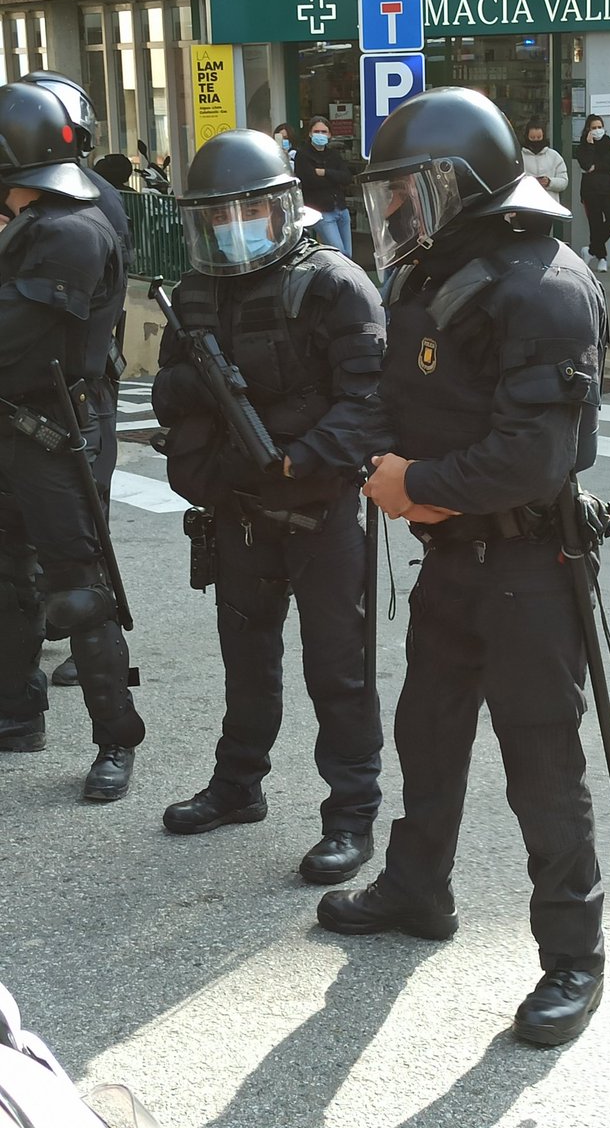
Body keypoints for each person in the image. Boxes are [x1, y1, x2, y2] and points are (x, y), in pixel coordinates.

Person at [315, 86, 609, 1047]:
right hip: (451, 558)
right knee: (426, 734)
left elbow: (537, 457)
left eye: (418, 188)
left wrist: (416, 481)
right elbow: (388, 400)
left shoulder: (546, 285)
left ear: (473, 185)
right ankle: (416, 889)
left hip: (531, 563)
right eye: (395, 192)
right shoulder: (427, 277)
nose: (401, 211)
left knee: (541, 768)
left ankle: (573, 958)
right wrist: (365, 464)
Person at [152, 129, 385, 884]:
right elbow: (170, 399)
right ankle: (236, 786)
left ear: (283, 207)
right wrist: (208, 454)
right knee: (245, 664)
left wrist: (298, 456)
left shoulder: (334, 284)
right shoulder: (193, 291)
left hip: (320, 514)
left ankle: (349, 816)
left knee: (337, 674)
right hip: (240, 511)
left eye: (248, 209)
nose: (233, 227)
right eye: (217, 215)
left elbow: (370, 403)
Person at [0, 81, 144, 799]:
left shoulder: (67, 230)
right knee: (6, 573)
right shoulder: (32, 222)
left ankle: (115, 737)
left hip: (56, 429)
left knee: (78, 589)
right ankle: (16, 711)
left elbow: (11, 340)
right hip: (17, 423)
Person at [20, 69, 135, 687]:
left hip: (77, 388)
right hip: (47, 390)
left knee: (80, 530)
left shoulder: (85, 205)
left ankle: (88, 647)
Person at [294, 116, 353, 256]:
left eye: (323, 131)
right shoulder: (302, 155)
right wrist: (334, 178)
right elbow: (310, 182)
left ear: (329, 134)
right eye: (316, 131)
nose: (320, 135)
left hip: (341, 209)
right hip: (322, 212)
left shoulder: (334, 155)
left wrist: (325, 172)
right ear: (310, 134)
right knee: (340, 254)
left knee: (348, 255)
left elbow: (347, 178)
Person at [577, 114, 610, 273]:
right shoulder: (583, 146)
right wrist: (590, 145)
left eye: (599, 127)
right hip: (590, 191)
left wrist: (598, 166)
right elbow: (587, 165)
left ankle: (591, 250)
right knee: (595, 225)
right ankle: (602, 258)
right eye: (593, 128)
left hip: (609, 190)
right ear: (588, 130)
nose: (597, 130)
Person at [521, 118, 568, 203]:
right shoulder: (520, 157)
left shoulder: (554, 156)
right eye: (532, 137)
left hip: (549, 206)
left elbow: (564, 181)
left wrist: (550, 182)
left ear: (544, 136)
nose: (536, 140)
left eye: (539, 137)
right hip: (527, 205)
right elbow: (512, 183)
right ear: (527, 137)